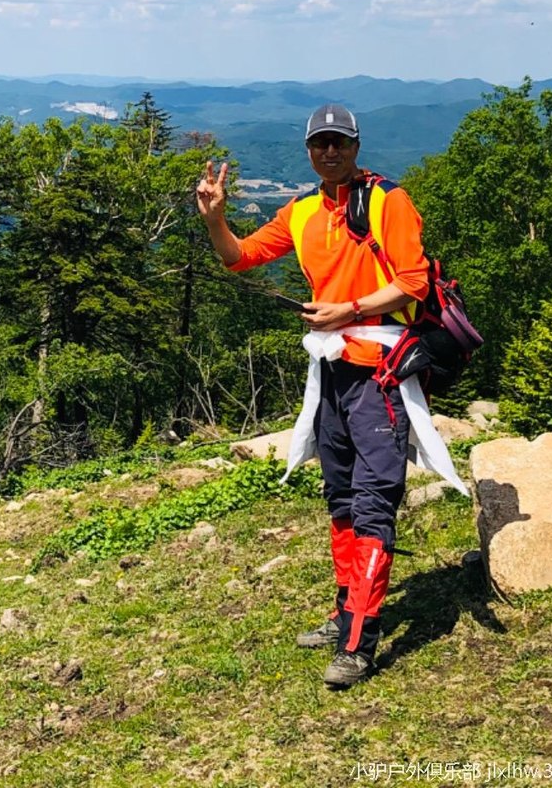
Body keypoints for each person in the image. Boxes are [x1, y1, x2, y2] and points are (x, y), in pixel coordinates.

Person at [195, 103, 429, 688]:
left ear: (356, 146)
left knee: (373, 501)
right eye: (320, 143)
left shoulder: (388, 201)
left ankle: (357, 644)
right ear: (308, 150)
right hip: (332, 371)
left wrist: (348, 309)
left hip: (379, 371)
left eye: (339, 142)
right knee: (341, 497)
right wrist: (216, 219)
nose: (330, 151)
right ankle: (346, 610)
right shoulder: (300, 211)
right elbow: (240, 258)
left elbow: (414, 282)